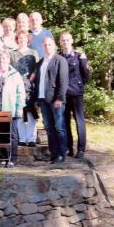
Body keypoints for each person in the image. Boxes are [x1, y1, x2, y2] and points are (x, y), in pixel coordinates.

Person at [33, 36, 69, 164]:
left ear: (54, 46)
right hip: (43, 99)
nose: (47, 47)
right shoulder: (40, 62)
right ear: (42, 47)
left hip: (55, 99)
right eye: (45, 45)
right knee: (49, 127)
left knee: (59, 127)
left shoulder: (60, 60)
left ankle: (61, 153)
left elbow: (63, 81)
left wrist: (60, 98)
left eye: (49, 44)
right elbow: (38, 81)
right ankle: (54, 153)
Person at [58, 32, 89, 159]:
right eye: (63, 40)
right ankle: (68, 148)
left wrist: (79, 85)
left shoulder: (79, 55)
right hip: (63, 94)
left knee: (79, 121)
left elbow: (86, 73)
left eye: (67, 40)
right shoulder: (58, 56)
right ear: (60, 42)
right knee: (65, 122)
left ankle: (81, 149)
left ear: (72, 41)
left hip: (76, 93)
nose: (65, 42)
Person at [0, 50, 25, 166]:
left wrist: (19, 107)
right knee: (1, 134)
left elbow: (20, 92)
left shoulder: (15, 74)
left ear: (8, 60)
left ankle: (13, 158)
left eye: (3, 58)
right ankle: (3, 157)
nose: (1, 60)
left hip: (12, 108)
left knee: (13, 135)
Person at [11, 30, 40, 148]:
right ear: (17, 39)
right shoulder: (12, 53)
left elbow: (37, 68)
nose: (22, 40)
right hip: (17, 86)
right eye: (20, 38)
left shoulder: (33, 52)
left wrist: (31, 80)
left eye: (24, 38)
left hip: (30, 85)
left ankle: (32, 138)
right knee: (20, 111)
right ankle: (22, 138)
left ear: (28, 39)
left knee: (31, 111)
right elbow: (10, 69)